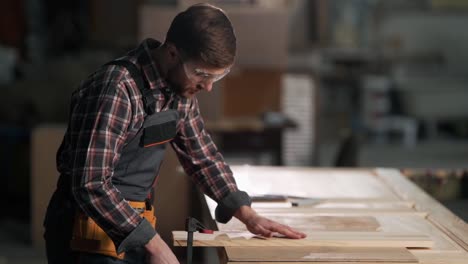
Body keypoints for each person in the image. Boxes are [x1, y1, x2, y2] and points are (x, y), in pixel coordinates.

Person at [43, 3, 306, 264]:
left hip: (133, 227)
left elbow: (202, 157)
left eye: (219, 76)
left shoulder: (179, 90)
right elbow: (91, 183)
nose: (209, 87)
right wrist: (155, 244)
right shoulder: (117, 89)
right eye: (201, 74)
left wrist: (248, 215)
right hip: (86, 233)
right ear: (171, 53)